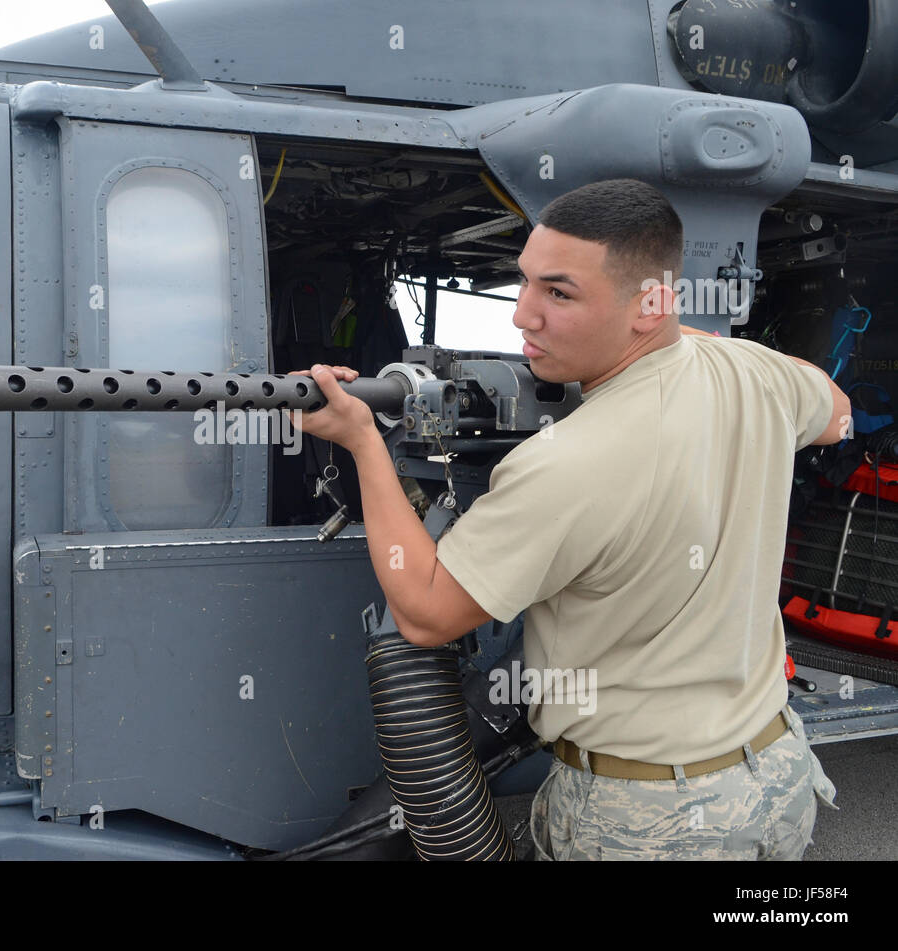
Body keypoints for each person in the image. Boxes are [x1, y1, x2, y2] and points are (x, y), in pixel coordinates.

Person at [291, 178, 847, 860]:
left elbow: (425, 611)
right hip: (773, 776)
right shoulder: (755, 374)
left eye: (559, 293)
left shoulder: (565, 465)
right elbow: (836, 408)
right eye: (524, 283)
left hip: (647, 823)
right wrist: (689, 338)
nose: (523, 315)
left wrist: (361, 443)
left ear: (648, 306)